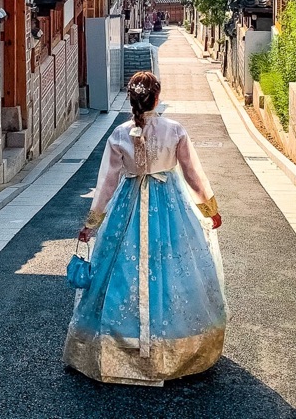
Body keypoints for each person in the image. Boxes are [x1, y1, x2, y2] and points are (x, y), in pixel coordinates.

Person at [63, 71, 226, 386]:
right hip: (170, 206)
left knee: (120, 270)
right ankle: (176, 345)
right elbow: (192, 174)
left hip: (128, 206)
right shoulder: (174, 130)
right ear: (158, 97)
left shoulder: (119, 134)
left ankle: (116, 346)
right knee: (174, 269)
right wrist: (209, 208)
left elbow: (107, 185)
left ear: (131, 98)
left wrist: (92, 224)